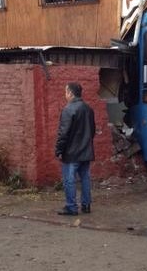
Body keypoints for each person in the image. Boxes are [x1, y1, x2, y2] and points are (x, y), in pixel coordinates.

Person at [55, 82, 95, 216]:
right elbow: (92, 131)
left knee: (69, 179)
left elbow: (63, 133)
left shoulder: (68, 109)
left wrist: (59, 150)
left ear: (71, 93)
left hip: (72, 152)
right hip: (86, 150)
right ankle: (86, 204)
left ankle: (71, 207)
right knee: (85, 178)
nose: (64, 94)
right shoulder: (88, 109)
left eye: (66, 92)